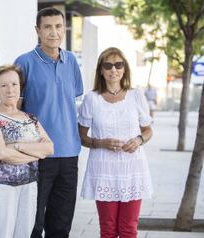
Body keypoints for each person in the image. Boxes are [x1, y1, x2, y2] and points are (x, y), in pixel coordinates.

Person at [14, 7, 83, 238]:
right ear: (38, 30)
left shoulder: (72, 60)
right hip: (37, 155)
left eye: (58, 26)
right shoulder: (24, 62)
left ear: (64, 28)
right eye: (47, 27)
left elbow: (70, 100)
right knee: (34, 222)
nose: (53, 32)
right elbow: (16, 109)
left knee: (62, 223)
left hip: (69, 153)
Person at [77, 47, 153, 238]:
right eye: (108, 65)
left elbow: (148, 129)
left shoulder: (136, 96)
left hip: (132, 169)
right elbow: (82, 137)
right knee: (108, 229)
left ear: (124, 68)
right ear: (101, 70)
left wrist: (139, 139)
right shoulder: (91, 99)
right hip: (104, 170)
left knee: (128, 229)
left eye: (118, 64)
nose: (114, 69)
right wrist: (101, 143)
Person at [0, 64, 54, 238]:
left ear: (20, 87)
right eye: (3, 85)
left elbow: (49, 148)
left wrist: (17, 146)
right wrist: (35, 153)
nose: (10, 89)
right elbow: (1, 154)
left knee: (24, 234)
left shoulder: (30, 119)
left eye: (14, 84)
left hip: (28, 185)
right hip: (0, 187)